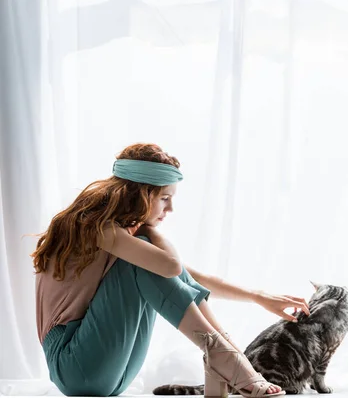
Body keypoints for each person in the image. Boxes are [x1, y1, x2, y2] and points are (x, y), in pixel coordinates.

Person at [32, 143, 309, 397]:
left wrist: (258, 296)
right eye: (165, 198)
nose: (171, 208)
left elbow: (187, 277)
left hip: (109, 368)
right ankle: (223, 355)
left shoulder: (122, 235)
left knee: (150, 264)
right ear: (141, 194)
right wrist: (150, 230)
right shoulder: (97, 228)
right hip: (74, 364)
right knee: (144, 262)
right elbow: (171, 265)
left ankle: (225, 354)